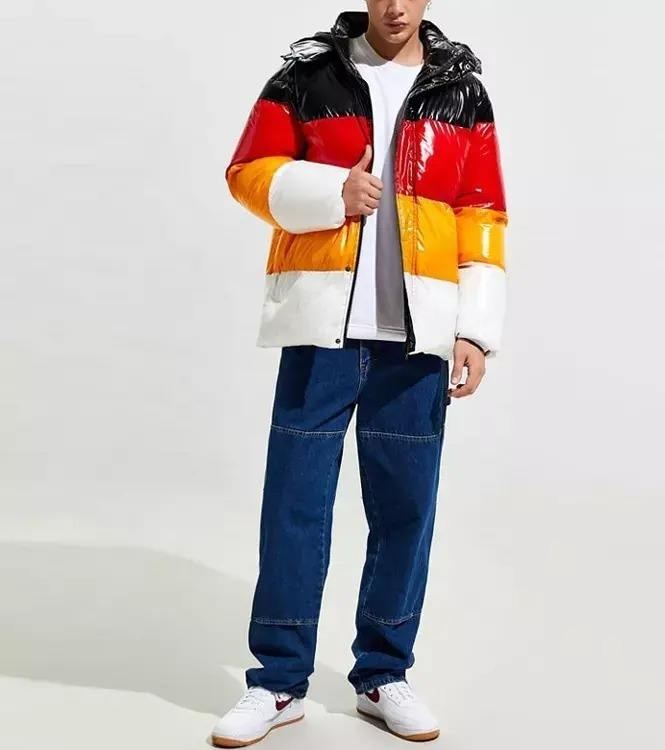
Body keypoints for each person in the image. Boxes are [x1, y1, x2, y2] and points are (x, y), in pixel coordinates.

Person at [212, 2, 508, 745]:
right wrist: (329, 194)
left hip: (417, 340)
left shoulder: (461, 91)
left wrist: (476, 328)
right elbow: (247, 173)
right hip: (321, 331)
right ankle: (277, 682)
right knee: (294, 507)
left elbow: (482, 210)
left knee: (406, 512)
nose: (395, 7)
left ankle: (383, 673)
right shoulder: (306, 77)